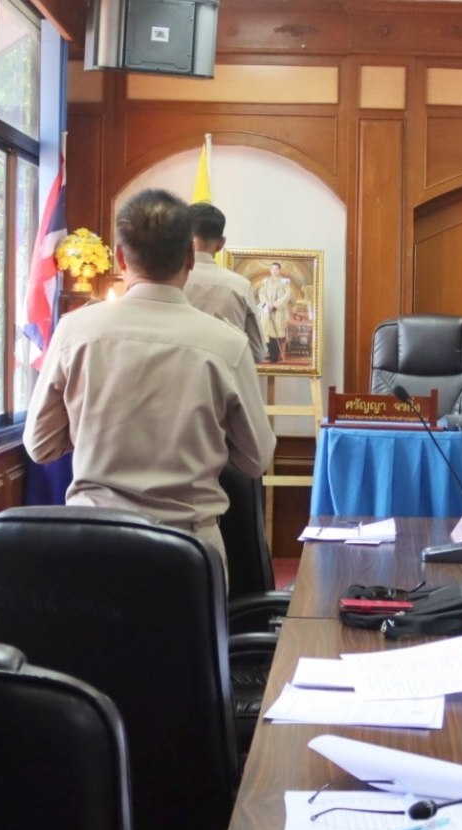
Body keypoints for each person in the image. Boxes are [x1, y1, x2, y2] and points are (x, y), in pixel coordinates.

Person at [23, 188, 277, 569]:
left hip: (90, 544)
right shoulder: (228, 345)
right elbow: (257, 459)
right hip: (187, 554)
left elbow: (40, 445)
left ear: (121, 257)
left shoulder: (74, 332)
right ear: (192, 255)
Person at [183, 202, 265, 363]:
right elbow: (258, 352)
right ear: (221, 243)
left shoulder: (170, 281)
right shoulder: (240, 286)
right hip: (225, 382)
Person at [258, 262, 293, 363]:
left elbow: (286, 296)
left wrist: (275, 305)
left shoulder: (284, 283)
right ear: (270, 270)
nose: (274, 271)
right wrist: (267, 303)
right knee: (267, 333)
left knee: (275, 334)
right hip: (267, 310)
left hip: (277, 311)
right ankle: (271, 353)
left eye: (276, 269)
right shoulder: (266, 282)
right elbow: (261, 293)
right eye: (272, 269)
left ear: (279, 270)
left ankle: (275, 356)